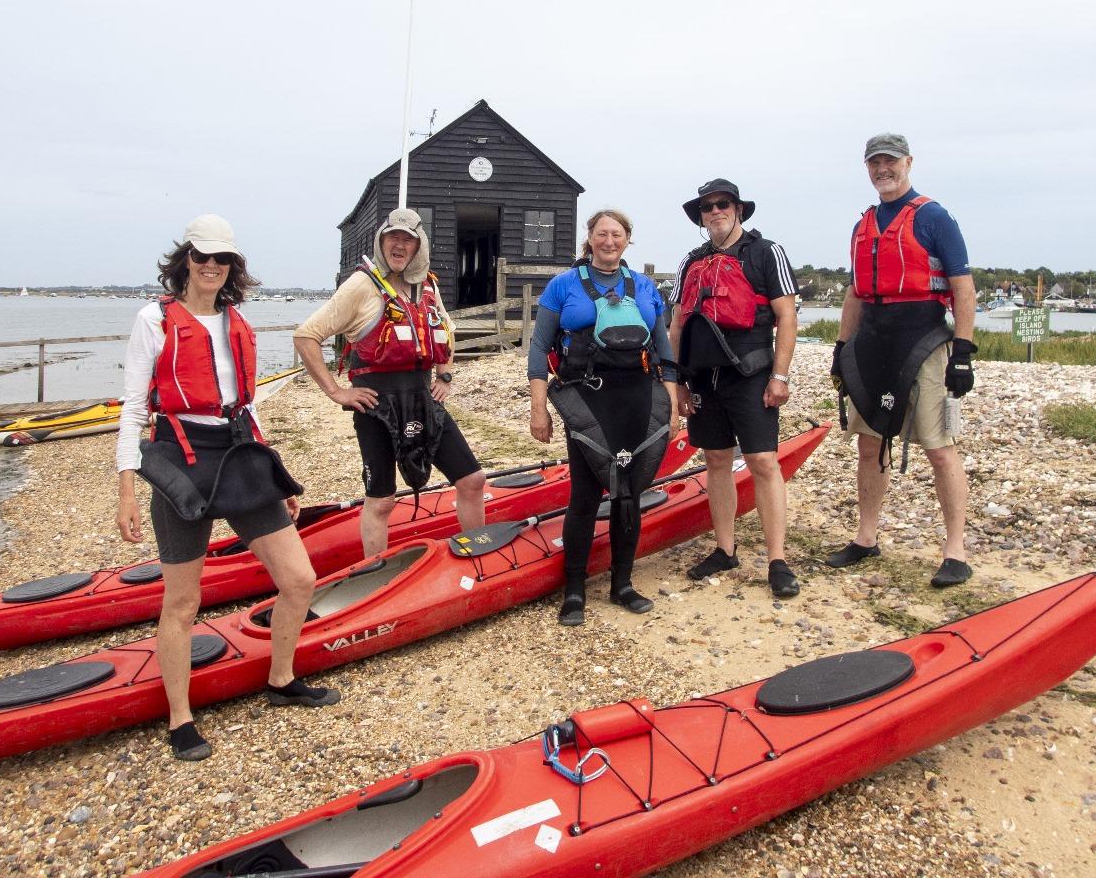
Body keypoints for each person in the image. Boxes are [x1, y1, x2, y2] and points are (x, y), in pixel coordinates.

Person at [115, 214, 339, 764]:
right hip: (179, 455)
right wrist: (126, 487)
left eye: (222, 259)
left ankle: (281, 678)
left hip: (238, 453)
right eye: (201, 257)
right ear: (185, 260)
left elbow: (250, 406)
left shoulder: (237, 322)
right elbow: (133, 409)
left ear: (233, 267)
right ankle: (180, 717)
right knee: (184, 601)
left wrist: (273, 473)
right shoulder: (153, 319)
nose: (210, 267)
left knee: (299, 579)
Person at [830, 133, 978, 588]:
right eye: (875, 163)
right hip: (874, 340)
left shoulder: (934, 217)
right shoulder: (864, 224)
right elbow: (856, 291)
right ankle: (866, 536)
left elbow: (963, 286)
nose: (883, 169)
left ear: (908, 162)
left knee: (938, 447)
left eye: (890, 161)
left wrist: (963, 353)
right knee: (869, 444)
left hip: (925, 337)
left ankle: (955, 550)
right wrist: (841, 347)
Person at [293, 208, 486, 557]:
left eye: (407, 239)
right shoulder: (362, 285)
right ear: (382, 242)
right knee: (381, 501)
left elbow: (445, 330)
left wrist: (444, 374)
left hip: (422, 398)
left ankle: (478, 556)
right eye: (392, 237)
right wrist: (336, 392)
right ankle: (375, 574)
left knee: (473, 481)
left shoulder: (426, 284)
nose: (399, 244)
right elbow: (307, 335)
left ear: (418, 246)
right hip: (375, 404)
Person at [527, 209, 679, 626]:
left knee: (629, 493)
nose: (609, 241)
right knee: (585, 495)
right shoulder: (563, 286)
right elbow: (539, 348)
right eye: (601, 234)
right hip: (587, 400)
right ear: (589, 239)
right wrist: (539, 407)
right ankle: (574, 588)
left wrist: (670, 406)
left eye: (617, 234)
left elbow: (665, 350)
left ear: (628, 240)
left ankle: (623, 585)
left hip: (637, 398)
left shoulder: (645, 287)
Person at [669, 179, 801, 598]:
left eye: (722, 204)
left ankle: (777, 560)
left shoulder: (767, 253)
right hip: (704, 377)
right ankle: (725, 549)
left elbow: (787, 317)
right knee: (716, 460)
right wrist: (678, 383)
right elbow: (676, 325)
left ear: (738, 209)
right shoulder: (691, 262)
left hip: (751, 372)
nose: (715, 212)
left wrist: (779, 376)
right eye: (707, 207)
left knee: (763, 461)